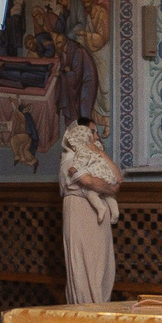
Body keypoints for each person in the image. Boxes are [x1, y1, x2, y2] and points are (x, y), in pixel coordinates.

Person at [58, 119, 119, 305]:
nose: (97, 137)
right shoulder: (70, 159)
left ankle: (101, 308)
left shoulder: (95, 159)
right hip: (79, 211)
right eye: (93, 132)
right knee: (84, 265)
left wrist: (101, 154)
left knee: (103, 264)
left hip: (98, 215)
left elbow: (116, 181)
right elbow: (89, 181)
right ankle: (86, 312)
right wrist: (108, 187)